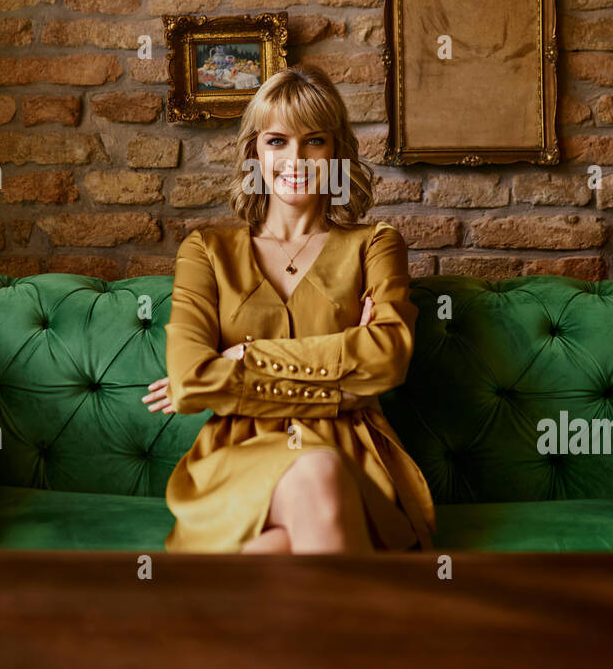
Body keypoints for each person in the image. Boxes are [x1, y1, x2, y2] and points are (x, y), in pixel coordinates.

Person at [142, 64, 437, 554]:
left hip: (352, 452)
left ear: (337, 151)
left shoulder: (376, 245)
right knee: (316, 473)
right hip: (239, 453)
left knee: (281, 541)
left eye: (315, 140)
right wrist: (341, 379)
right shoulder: (206, 251)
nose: (296, 158)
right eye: (277, 141)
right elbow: (191, 380)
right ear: (254, 151)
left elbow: (387, 359)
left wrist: (241, 360)